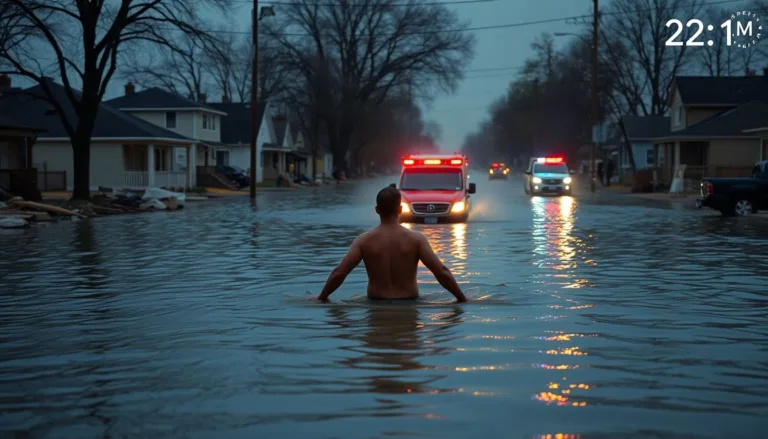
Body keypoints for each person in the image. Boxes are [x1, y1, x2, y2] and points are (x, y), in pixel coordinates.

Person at [315, 186, 467, 303]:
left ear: (377, 210)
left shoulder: (363, 240)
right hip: (409, 304)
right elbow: (441, 272)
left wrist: (321, 297)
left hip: (375, 304)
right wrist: (462, 298)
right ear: (400, 209)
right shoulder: (416, 239)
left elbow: (339, 273)